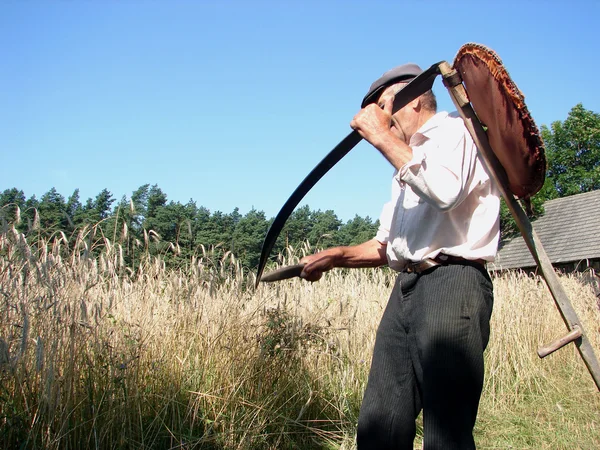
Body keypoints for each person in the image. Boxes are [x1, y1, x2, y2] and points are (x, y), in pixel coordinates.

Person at [299, 64, 500, 449]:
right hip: (407, 287)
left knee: (447, 430)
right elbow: (389, 245)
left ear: (406, 102)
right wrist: (336, 256)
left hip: (452, 282)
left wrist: (380, 137)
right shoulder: (407, 163)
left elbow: (445, 192)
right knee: (381, 421)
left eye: (381, 111)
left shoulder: (455, 131)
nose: (380, 124)